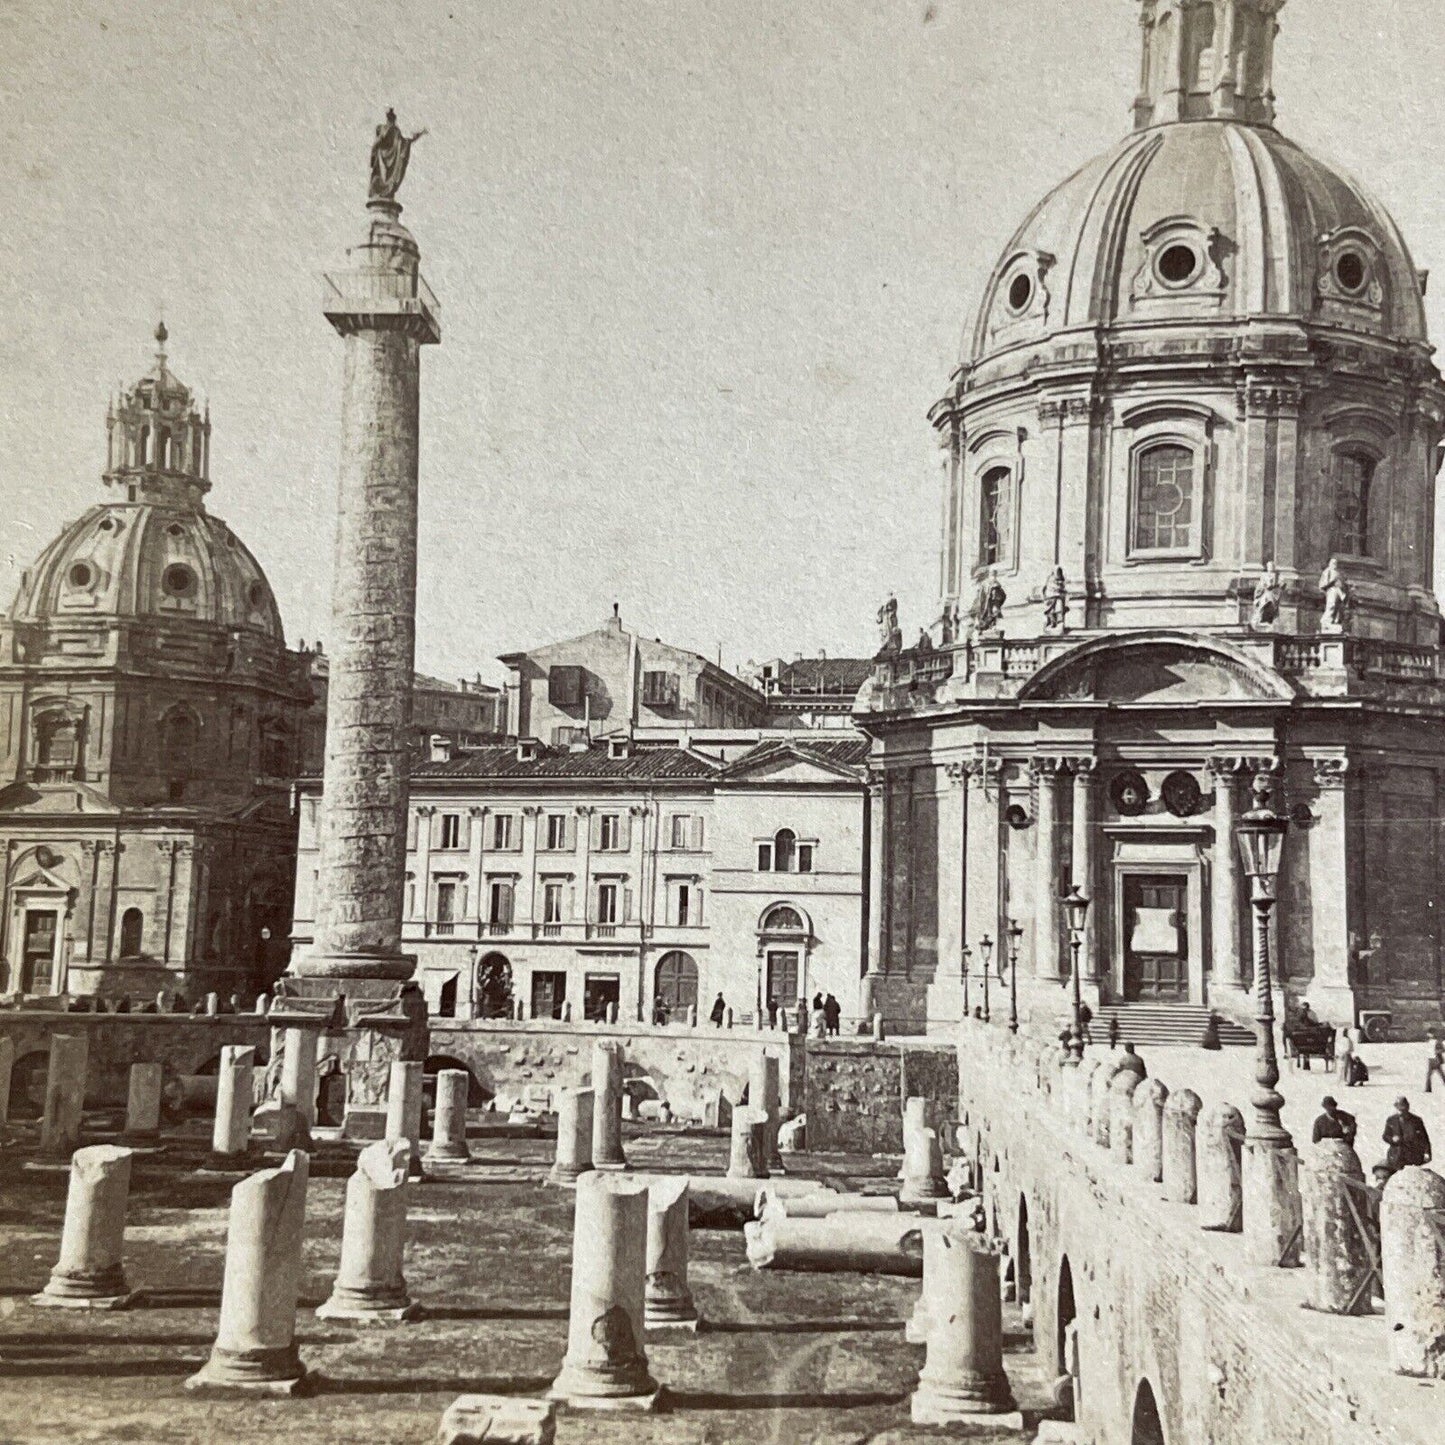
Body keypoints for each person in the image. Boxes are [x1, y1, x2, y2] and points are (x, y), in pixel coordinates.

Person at [1382, 1096, 1432, 1175]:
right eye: (1399, 1109)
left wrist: (1427, 1152)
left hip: (1413, 1154)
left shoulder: (1416, 1120)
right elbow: (1385, 1136)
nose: (1401, 1112)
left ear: (1407, 1108)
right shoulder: (1391, 1120)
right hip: (1396, 1155)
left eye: (1403, 1109)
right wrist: (1392, 1139)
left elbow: (1424, 1139)